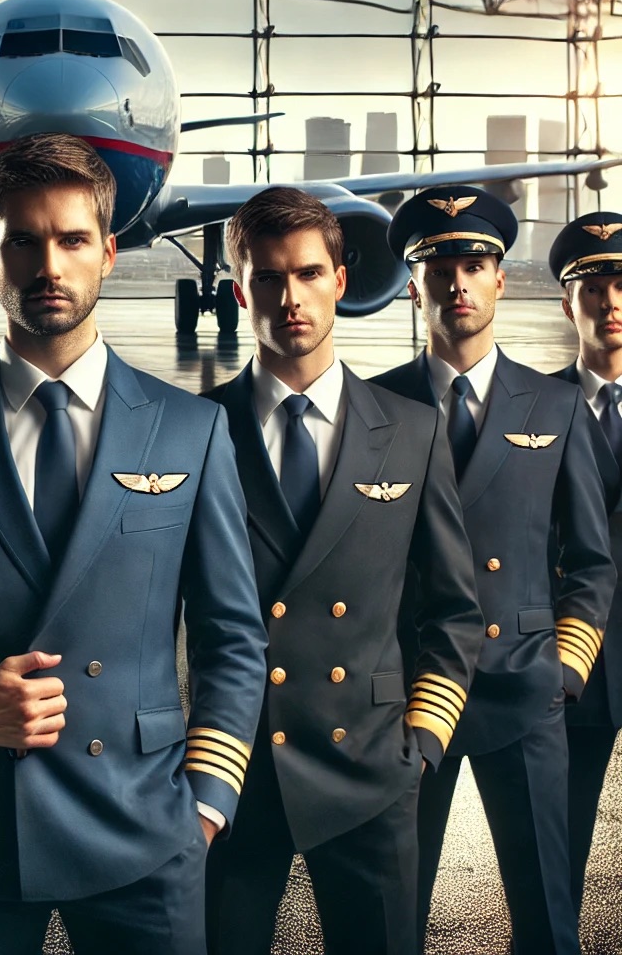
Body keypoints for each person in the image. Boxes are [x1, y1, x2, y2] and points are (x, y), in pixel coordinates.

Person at [0, 133, 267, 955]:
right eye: (23, 241)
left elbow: (233, 637)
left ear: (110, 251)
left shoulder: (191, 429)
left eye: (72, 239)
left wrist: (206, 806)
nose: (49, 266)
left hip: (146, 829)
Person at [202, 186, 483, 955]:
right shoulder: (196, 429)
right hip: (234, 771)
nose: (290, 298)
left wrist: (421, 743)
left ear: (341, 281)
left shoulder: (413, 431)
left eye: (308, 274)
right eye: (267, 278)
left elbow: (454, 611)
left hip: (371, 770)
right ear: (240, 292)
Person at [373, 185, 615, 955]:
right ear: (413, 286)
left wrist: (563, 670)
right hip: (412, 696)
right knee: (391, 920)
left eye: (475, 266)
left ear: (501, 280)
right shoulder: (374, 406)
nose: (458, 284)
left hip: (525, 686)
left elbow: (590, 560)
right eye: (439, 269)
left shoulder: (553, 405)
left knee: (548, 920)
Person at [550, 214, 622, 916]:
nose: (611, 302)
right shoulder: (532, 408)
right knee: (556, 856)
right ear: (567, 302)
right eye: (593, 287)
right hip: (577, 665)